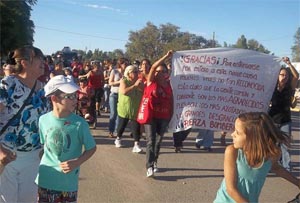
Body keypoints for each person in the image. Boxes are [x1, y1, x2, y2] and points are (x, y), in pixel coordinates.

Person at [0, 46, 51, 203]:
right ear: (24, 63)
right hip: (7, 157)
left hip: (33, 157)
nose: (43, 62)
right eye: (38, 58)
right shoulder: (9, 84)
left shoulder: (44, 90)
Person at [214, 112, 300, 203]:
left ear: (253, 137)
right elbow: (231, 189)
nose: (232, 134)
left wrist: (297, 182)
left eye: (238, 132)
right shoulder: (232, 152)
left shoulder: (271, 155)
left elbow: (276, 168)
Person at [35, 75, 97, 203]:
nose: (75, 99)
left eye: (75, 95)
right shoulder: (43, 120)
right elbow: (44, 147)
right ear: (54, 98)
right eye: (69, 96)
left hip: (68, 184)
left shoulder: (80, 123)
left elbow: (91, 148)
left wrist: (77, 161)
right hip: (45, 180)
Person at [143, 50, 174, 177]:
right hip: (150, 116)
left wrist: (172, 117)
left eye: (163, 71)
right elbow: (154, 66)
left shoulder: (170, 85)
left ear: (167, 73)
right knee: (151, 140)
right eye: (158, 71)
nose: (160, 73)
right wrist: (166, 57)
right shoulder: (151, 81)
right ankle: (149, 166)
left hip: (164, 117)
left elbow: (172, 101)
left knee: (158, 141)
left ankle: (155, 161)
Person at [268, 56, 299, 171]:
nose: (284, 77)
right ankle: (272, 163)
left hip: (285, 120)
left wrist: (289, 64)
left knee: (285, 145)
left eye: (286, 75)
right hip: (272, 120)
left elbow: (296, 76)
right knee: (272, 145)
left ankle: (286, 167)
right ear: (278, 75)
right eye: (282, 75)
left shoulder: (290, 88)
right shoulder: (271, 88)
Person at [114, 65, 144, 152]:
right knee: (122, 125)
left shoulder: (140, 82)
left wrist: (140, 85)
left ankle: (136, 144)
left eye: (137, 72)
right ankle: (118, 138)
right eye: (134, 72)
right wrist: (134, 85)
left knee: (136, 126)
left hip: (135, 108)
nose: (136, 73)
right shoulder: (124, 81)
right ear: (129, 73)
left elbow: (143, 91)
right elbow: (124, 91)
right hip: (125, 108)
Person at [108, 57, 128, 138]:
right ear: (120, 64)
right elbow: (110, 83)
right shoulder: (114, 71)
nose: (126, 65)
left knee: (120, 114)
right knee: (113, 113)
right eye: (125, 64)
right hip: (114, 94)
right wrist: (119, 82)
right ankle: (111, 130)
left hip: (122, 95)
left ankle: (117, 132)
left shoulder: (127, 73)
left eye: (127, 64)